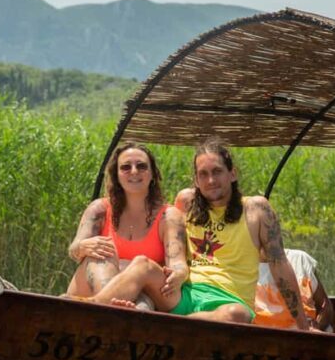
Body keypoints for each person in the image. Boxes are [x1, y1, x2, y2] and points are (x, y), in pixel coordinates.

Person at [88, 138, 310, 330]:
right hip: (184, 294)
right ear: (196, 180)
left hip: (229, 302)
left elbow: (279, 265)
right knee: (142, 264)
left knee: (236, 314)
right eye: (203, 174)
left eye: (217, 172)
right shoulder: (187, 202)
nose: (211, 181)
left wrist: (304, 326)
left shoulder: (256, 209)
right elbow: (170, 247)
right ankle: (88, 309)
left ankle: (165, 325)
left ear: (232, 173)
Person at [66, 142, 188, 309]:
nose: (134, 171)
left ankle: (103, 306)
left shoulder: (169, 216)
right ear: (116, 175)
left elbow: (177, 262)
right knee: (101, 253)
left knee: (142, 293)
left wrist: (179, 274)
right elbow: (74, 250)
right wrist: (82, 247)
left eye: (141, 166)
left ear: (153, 174)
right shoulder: (99, 209)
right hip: (100, 283)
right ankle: (115, 307)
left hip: (148, 291)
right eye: (125, 167)